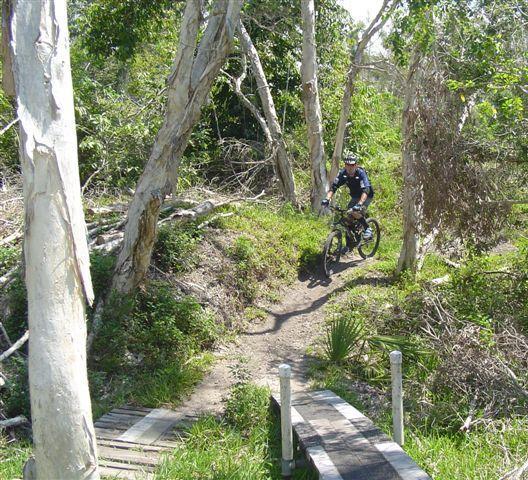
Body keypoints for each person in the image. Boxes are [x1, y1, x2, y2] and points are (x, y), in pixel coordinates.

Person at [321, 153, 374, 251]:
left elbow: (366, 190)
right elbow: (334, 188)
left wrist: (359, 204)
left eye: (352, 165)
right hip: (354, 196)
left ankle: (367, 228)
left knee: (355, 211)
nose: (350, 167)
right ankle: (350, 245)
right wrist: (327, 199)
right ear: (345, 165)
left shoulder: (361, 173)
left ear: (356, 165)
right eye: (347, 165)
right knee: (347, 219)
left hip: (366, 196)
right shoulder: (343, 174)